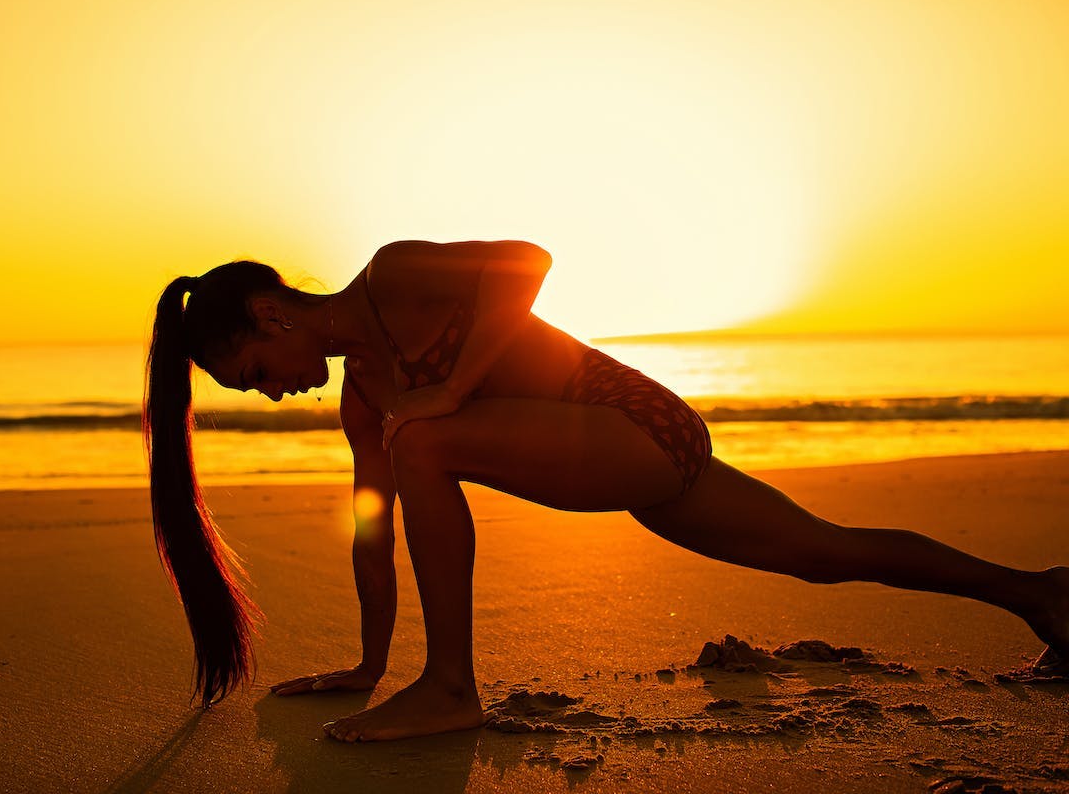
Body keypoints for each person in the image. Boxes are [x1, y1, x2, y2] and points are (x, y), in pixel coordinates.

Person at [143, 239, 1068, 743]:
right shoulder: (365, 400)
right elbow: (373, 531)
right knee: (825, 553)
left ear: (270, 313)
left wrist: (452, 388)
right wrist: (364, 664)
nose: (271, 392)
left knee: (423, 437)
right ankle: (1039, 595)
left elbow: (526, 263)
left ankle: (452, 687)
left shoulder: (394, 278)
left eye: (254, 372)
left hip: (638, 422)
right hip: (626, 467)